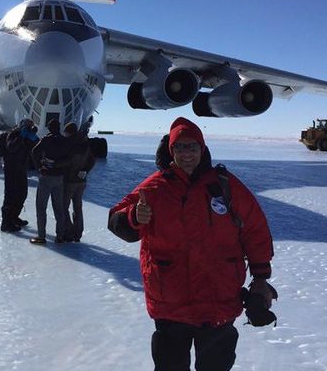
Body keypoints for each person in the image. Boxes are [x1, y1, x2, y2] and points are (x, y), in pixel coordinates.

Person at [108, 117, 274, 371]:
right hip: (171, 305)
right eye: (180, 148)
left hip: (218, 300)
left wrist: (261, 279)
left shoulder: (225, 186)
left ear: (202, 149)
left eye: (192, 147)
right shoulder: (154, 188)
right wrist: (133, 217)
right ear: (171, 151)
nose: (187, 154)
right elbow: (115, 219)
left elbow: (255, 230)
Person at [30, 118, 69, 244]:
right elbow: (69, 158)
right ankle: (60, 236)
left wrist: (39, 168)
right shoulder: (64, 141)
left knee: (41, 208)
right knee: (59, 208)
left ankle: (41, 236)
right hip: (59, 178)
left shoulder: (46, 139)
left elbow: (34, 151)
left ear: (49, 128)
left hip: (46, 177)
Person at [0, 119, 38, 232]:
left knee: (22, 194)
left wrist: (34, 136)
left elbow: (35, 146)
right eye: (27, 126)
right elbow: (11, 147)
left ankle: (14, 217)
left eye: (30, 126)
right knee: (10, 196)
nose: (29, 128)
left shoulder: (26, 136)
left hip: (21, 169)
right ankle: (5, 223)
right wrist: (22, 136)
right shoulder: (13, 134)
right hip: (11, 169)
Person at [61, 122, 95, 242]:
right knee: (78, 207)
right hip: (81, 181)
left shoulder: (70, 144)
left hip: (69, 180)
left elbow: (68, 161)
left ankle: (68, 232)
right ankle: (78, 233)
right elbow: (92, 160)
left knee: (63, 207)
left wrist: (54, 165)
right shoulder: (85, 144)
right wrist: (85, 171)